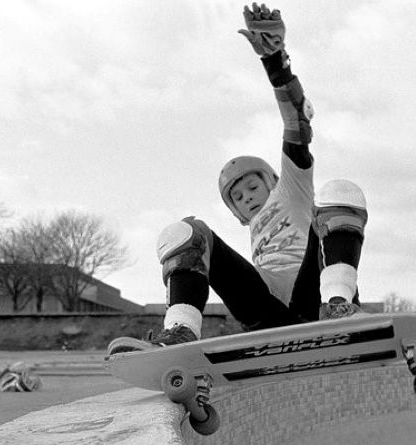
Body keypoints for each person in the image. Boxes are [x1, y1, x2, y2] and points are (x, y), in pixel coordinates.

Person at [110, 3, 368, 354]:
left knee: (339, 191)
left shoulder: (290, 191)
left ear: (272, 182)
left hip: (314, 299)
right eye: (237, 196)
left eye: (252, 186)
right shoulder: (251, 226)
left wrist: (274, 61)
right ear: (235, 211)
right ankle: (180, 331)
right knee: (188, 232)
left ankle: (339, 305)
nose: (246, 196)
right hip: (266, 314)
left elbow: (297, 125)